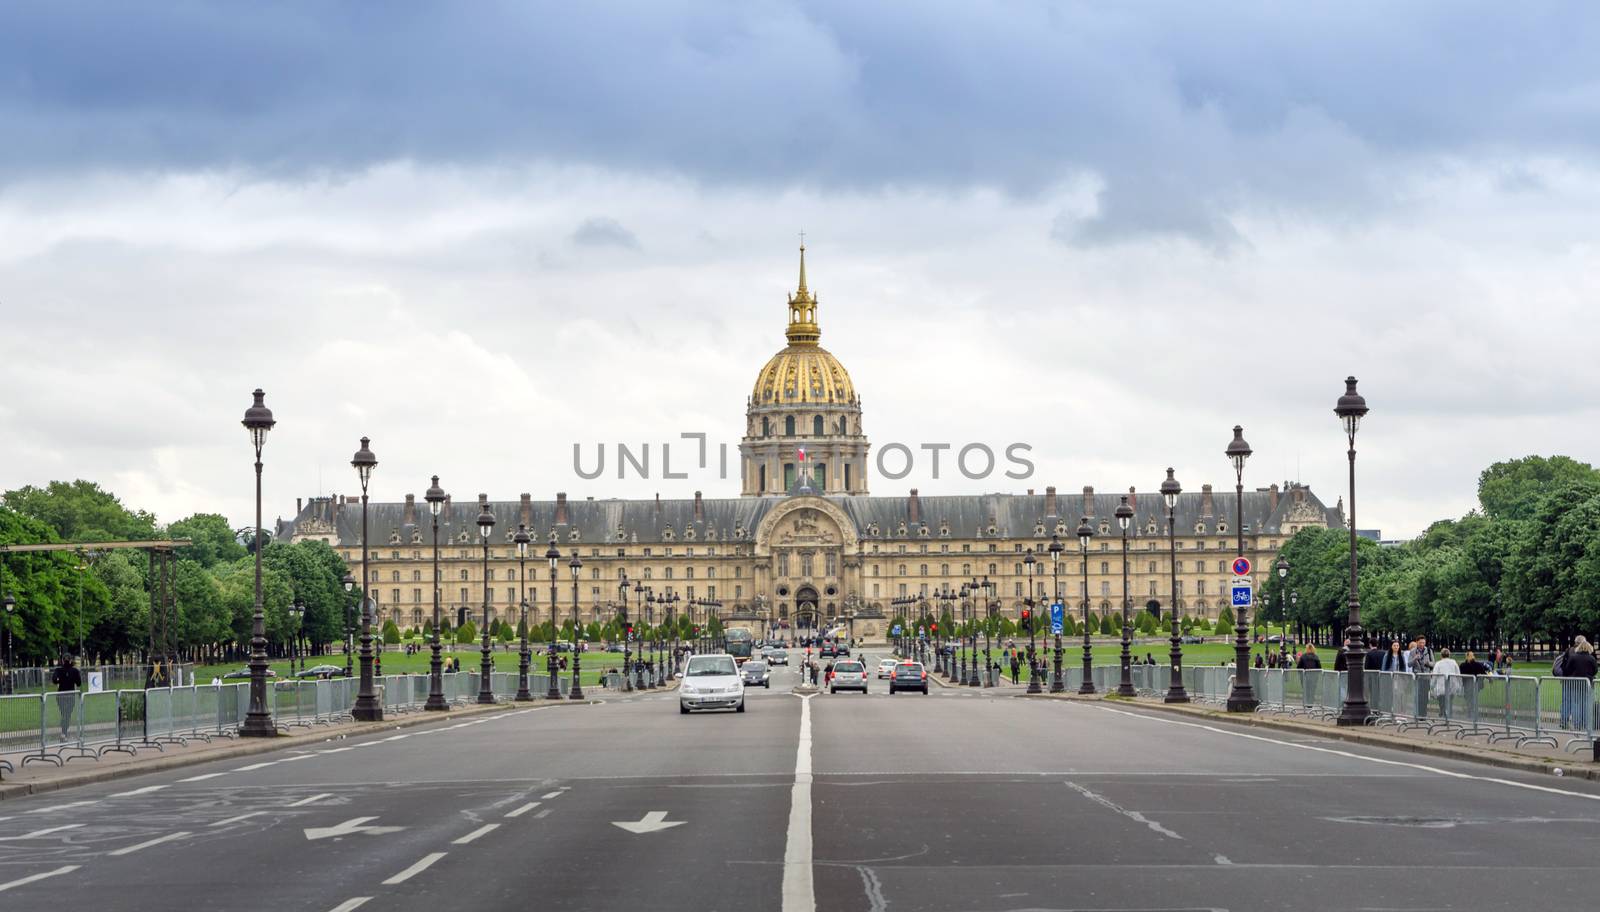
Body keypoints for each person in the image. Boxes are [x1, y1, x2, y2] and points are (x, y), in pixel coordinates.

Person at [1559, 636, 1597, 730]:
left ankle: (1576, 724)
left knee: (1575, 703)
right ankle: (1585, 723)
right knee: (1585, 703)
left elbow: (1567, 669)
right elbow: (1595, 670)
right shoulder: (1591, 658)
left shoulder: (1573, 656)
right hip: (1587, 683)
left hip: (1574, 682)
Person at [51, 656, 82, 740]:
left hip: (61, 695)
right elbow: (78, 683)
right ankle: (64, 732)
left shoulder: (59, 670)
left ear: (62, 661)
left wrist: (60, 681)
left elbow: (54, 680)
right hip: (70, 695)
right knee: (67, 714)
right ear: (71, 660)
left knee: (64, 713)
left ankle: (64, 732)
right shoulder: (74, 671)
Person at [1430, 648, 1462, 717]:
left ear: (1441, 655)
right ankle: (1448, 713)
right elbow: (1458, 674)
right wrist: (1460, 684)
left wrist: (1432, 685)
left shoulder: (1438, 664)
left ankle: (1443, 712)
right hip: (1452, 685)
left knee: (1442, 701)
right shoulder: (1454, 662)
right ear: (1449, 655)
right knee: (1449, 701)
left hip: (1441, 686)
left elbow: (1434, 675)